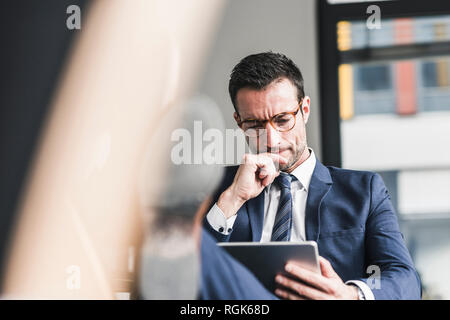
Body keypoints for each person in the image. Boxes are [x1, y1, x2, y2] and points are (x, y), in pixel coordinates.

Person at [202, 52, 421, 300]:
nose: (272, 140)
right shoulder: (219, 188)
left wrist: (350, 295)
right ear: (239, 122)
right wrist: (232, 199)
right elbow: (188, 273)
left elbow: (406, 281)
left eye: (283, 120)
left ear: (304, 109)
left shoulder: (364, 191)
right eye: (255, 125)